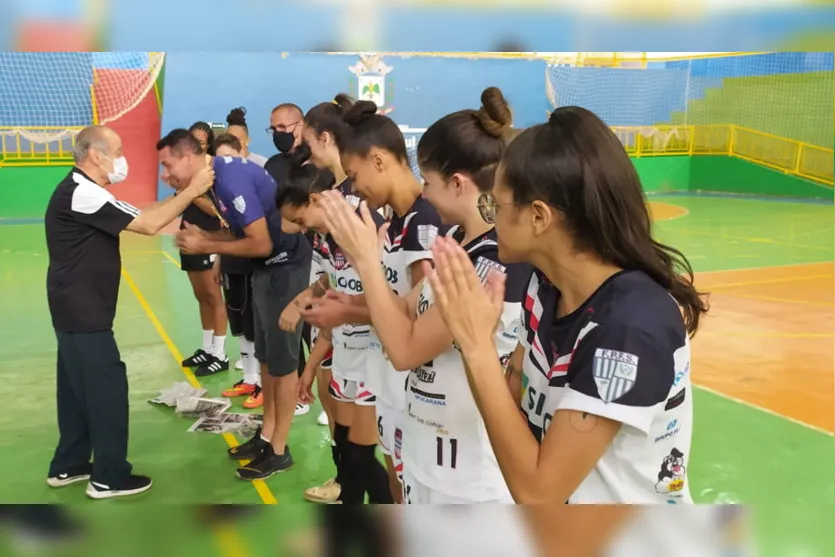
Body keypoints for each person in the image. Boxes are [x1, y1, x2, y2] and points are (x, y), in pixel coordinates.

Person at [421, 106, 707, 504]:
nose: (489, 218)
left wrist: (475, 344)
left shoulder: (628, 328)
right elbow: (512, 397)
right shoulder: (545, 286)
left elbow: (539, 492)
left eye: (496, 207)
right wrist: (476, 341)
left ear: (539, 216)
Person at [317, 87, 532, 504]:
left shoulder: (494, 262)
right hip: (427, 449)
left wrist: (364, 260)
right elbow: (406, 308)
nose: (425, 193)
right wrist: (349, 307)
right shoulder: (456, 240)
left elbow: (405, 349)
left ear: (457, 183)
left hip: (469, 473)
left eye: (429, 182)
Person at [44, 125, 214, 499]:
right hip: (84, 309)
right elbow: (150, 224)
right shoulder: (84, 192)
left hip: (70, 304)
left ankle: (69, 464)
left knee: (75, 389)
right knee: (106, 388)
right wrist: (192, 190)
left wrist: (178, 195)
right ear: (95, 155)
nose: (122, 159)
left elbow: (138, 212)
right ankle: (108, 476)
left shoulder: (80, 190)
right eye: (117, 150)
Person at [300, 100, 445, 503]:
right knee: (396, 481)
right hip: (391, 383)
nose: (355, 187)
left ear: (379, 160)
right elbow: (397, 299)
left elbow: (423, 315)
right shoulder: (398, 222)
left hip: (415, 386)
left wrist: (349, 307)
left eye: (356, 175)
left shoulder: (423, 223)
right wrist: (347, 304)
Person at [161, 129, 312, 480]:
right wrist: (206, 238)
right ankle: (266, 436)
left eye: (168, 165)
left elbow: (259, 243)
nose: (164, 174)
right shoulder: (216, 181)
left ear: (189, 157)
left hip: (285, 268)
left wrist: (205, 246)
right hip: (266, 269)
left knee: (282, 364)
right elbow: (244, 234)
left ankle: (279, 450)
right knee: (266, 359)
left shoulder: (229, 179)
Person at [277, 142, 393, 505]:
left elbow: (387, 306)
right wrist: (310, 368)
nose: (298, 229)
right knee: (346, 447)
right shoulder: (326, 244)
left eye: (299, 220)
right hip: (345, 358)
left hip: (377, 362)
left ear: (315, 200)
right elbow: (333, 309)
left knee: (363, 457)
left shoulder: (365, 233)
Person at [277, 93, 357, 503]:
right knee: (346, 430)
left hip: (367, 348)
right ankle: (344, 480)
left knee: (371, 452)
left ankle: (351, 482)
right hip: (340, 342)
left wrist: (306, 303)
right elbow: (333, 282)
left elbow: (354, 291)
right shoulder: (330, 212)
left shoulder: (352, 206)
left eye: (307, 142)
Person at [262, 101, 316, 418]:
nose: (279, 134)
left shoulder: (315, 164)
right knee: (287, 332)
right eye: (274, 129)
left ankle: (328, 387)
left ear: (301, 125)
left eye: (285, 127)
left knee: (319, 331)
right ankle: (295, 391)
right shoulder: (272, 166)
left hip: (317, 260)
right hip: (284, 261)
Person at [209, 133, 262, 409]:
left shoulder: (255, 184)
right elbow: (223, 228)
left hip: (254, 263)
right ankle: (250, 379)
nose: (226, 164)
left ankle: (263, 384)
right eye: (221, 159)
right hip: (231, 263)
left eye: (231, 156)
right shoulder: (220, 190)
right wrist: (218, 259)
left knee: (256, 326)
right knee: (239, 323)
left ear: (243, 154)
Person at [179, 121, 229, 377]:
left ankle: (220, 354)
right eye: (192, 140)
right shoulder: (185, 168)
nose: (196, 145)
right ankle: (207, 348)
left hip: (209, 236)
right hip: (189, 237)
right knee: (201, 296)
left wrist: (191, 194)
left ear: (208, 143)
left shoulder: (212, 169)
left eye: (201, 141)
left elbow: (217, 209)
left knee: (213, 296)